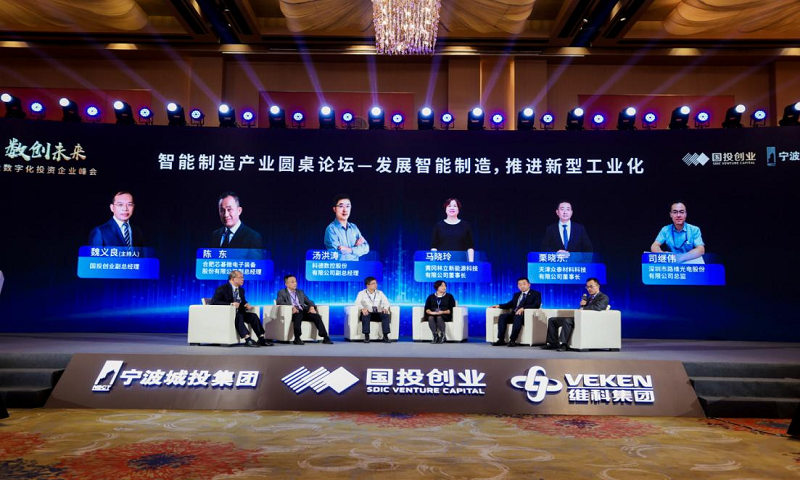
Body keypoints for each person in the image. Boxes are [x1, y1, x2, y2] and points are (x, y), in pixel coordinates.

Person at [542, 277, 609, 351]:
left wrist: (584, 307)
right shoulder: (588, 298)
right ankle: (552, 343)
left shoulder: (603, 297)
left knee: (567, 320)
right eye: (587, 287)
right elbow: (581, 309)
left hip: (589, 320)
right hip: (579, 318)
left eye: (591, 286)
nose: (589, 289)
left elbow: (598, 307)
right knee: (552, 320)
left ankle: (563, 344)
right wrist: (582, 306)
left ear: (598, 286)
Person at [209, 270, 272, 347]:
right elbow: (214, 302)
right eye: (241, 277)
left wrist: (246, 304)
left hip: (240, 312)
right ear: (233, 278)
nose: (243, 279)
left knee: (253, 316)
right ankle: (248, 339)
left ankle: (261, 338)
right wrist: (231, 304)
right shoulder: (222, 288)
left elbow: (243, 301)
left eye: (243, 277)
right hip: (227, 314)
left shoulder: (241, 290)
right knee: (239, 316)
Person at [276, 274, 333, 345]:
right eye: (292, 282)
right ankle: (297, 338)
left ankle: (325, 337)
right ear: (286, 284)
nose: (295, 283)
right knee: (298, 314)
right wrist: (292, 307)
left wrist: (312, 307)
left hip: (303, 312)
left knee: (316, 316)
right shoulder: (282, 292)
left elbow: (309, 301)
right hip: (292, 313)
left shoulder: (300, 292)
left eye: (295, 281)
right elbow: (279, 302)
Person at [491, 278, 542, 347]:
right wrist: (499, 305)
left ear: (529, 285)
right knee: (503, 316)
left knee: (518, 316)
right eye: (520, 285)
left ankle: (512, 340)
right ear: (518, 286)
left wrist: (524, 308)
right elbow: (510, 304)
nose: (522, 286)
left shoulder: (536, 294)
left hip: (525, 316)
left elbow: (536, 305)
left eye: (524, 284)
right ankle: (501, 339)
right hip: (514, 315)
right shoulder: (516, 295)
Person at [324, 194, 369, 261]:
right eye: (341, 206)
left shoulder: (354, 227)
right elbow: (338, 256)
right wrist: (356, 248)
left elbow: (366, 248)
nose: (345, 210)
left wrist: (349, 250)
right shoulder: (331, 229)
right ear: (334, 209)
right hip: (340, 267)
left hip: (355, 267)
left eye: (348, 206)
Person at [354, 277, 392, 343]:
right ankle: (366, 336)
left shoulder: (380, 293)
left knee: (386, 315)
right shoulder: (361, 293)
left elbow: (387, 302)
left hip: (378, 313)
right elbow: (357, 303)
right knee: (366, 314)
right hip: (367, 313)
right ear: (367, 285)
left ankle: (385, 336)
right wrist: (362, 308)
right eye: (373, 283)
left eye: (376, 283)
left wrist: (385, 308)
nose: (375, 285)